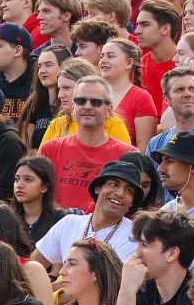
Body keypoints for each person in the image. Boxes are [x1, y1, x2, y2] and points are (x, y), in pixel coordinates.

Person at [37, 76, 136, 213]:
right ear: (73, 107)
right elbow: (37, 195)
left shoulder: (128, 155)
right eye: (81, 101)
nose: (87, 106)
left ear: (109, 110)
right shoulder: (49, 149)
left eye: (96, 102)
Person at [33, 160, 143, 267]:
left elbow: (115, 283)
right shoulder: (69, 223)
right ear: (97, 188)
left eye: (129, 190)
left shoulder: (134, 235)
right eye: (114, 184)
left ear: (132, 202)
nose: (120, 193)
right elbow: (33, 266)